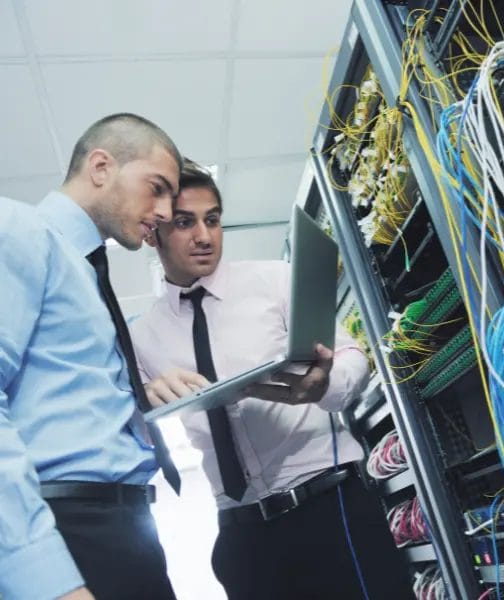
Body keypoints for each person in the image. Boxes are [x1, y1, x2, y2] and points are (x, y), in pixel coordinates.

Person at [131, 160, 413, 599]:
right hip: (242, 533)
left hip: (328, 507)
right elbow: (129, 428)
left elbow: (350, 355)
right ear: (152, 233)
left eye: (212, 220)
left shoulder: (275, 281)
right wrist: (146, 398)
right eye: (184, 223)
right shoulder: (142, 336)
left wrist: (323, 385)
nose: (204, 236)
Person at [0, 113, 183, 600]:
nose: (165, 211)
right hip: (69, 528)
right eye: (157, 188)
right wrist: (45, 578)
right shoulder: (18, 229)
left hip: (121, 528)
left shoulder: (85, 273)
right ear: (101, 167)